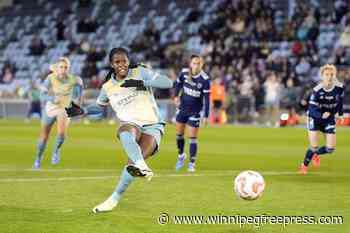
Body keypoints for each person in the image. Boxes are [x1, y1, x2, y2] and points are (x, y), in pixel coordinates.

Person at [66, 47, 173, 213]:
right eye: (117, 62)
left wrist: (141, 83)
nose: (121, 64)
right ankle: (141, 166)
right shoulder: (107, 87)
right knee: (125, 130)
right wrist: (83, 111)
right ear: (112, 64)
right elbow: (99, 109)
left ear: (129, 61)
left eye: (124, 61)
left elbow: (168, 83)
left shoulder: (140, 72)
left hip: (153, 125)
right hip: (131, 124)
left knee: (132, 165)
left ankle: (114, 198)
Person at [33, 57, 83, 169]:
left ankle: (56, 151)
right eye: (61, 67)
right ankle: (38, 158)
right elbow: (42, 95)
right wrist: (51, 99)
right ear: (57, 68)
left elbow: (79, 93)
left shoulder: (73, 79)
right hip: (51, 108)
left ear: (68, 69)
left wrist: (78, 104)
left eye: (66, 67)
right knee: (44, 137)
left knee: (61, 133)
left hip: (64, 109)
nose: (63, 69)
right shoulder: (50, 78)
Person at [299, 64, 344, 174]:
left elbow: (340, 102)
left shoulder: (339, 87)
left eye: (332, 74)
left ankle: (316, 154)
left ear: (335, 75)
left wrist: (340, 114)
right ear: (322, 76)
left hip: (329, 118)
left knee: (330, 149)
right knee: (314, 146)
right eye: (327, 74)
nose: (329, 77)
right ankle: (304, 165)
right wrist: (321, 115)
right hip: (315, 118)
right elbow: (312, 108)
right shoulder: (317, 90)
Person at [173, 55, 211, 172]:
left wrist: (206, 116)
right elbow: (177, 83)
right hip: (182, 109)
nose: (196, 65)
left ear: (201, 65)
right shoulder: (184, 73)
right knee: (179, 135)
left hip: (195, 111)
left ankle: (192, 163)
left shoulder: (204, 79)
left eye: (198, 63)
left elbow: (207, 99)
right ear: (190, 64)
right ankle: (181, 156)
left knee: (192, 138)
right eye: (194, 63)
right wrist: (176, 96)